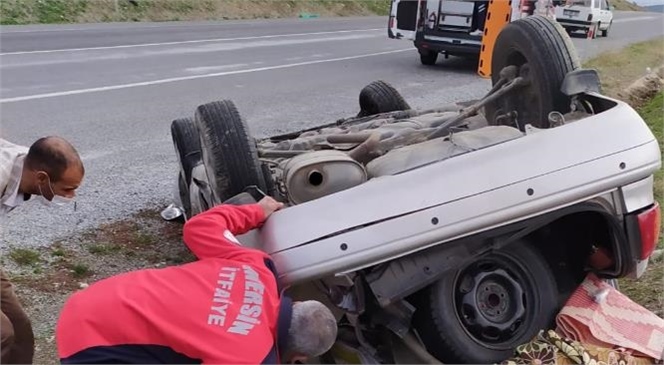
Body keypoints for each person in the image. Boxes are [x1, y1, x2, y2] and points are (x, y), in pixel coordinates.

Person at [55, 196, 339, 364]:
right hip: (89, 342)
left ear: (298, 302)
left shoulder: (258, 269)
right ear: (298, 358)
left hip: (93, 299)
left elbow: (200, 227)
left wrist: (257, 211)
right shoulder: (248, 357)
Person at [0, 136, 85, 364]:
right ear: (41, 178)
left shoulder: (30, 161)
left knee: (20, 330)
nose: (70, 196)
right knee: (2, 333)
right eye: (67, 189)